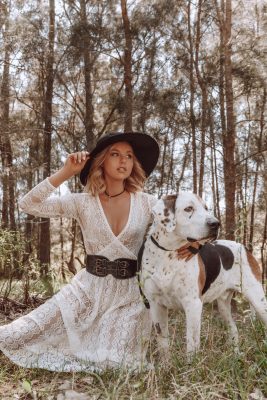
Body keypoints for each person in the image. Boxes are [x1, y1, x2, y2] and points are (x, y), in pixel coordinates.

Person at [0, 132, 160, 372]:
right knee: (12, 336)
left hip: (127, 299)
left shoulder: (148, 202)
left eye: (129, 156)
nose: (123, 161)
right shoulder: (83, 202)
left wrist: (194, 244)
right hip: (84, 293)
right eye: (115, 154)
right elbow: (28, 204)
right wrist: (66, 173)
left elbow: (181, 222)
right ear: (102, 161)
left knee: (114, 363)